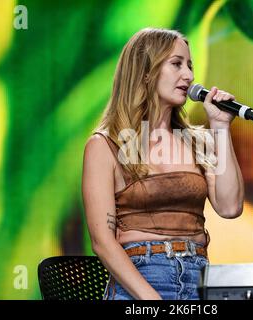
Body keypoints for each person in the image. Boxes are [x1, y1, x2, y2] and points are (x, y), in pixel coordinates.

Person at [82, 27, 244, 300]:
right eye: (177, 64)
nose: (189, 76)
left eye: (190, 66)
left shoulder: (197, 142)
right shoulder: (105, 145)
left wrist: (220, 126)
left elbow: (230, 207)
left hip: (199, 278)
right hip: (142, 279)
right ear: (146, 71)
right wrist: (151, 300)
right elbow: (102, 242)